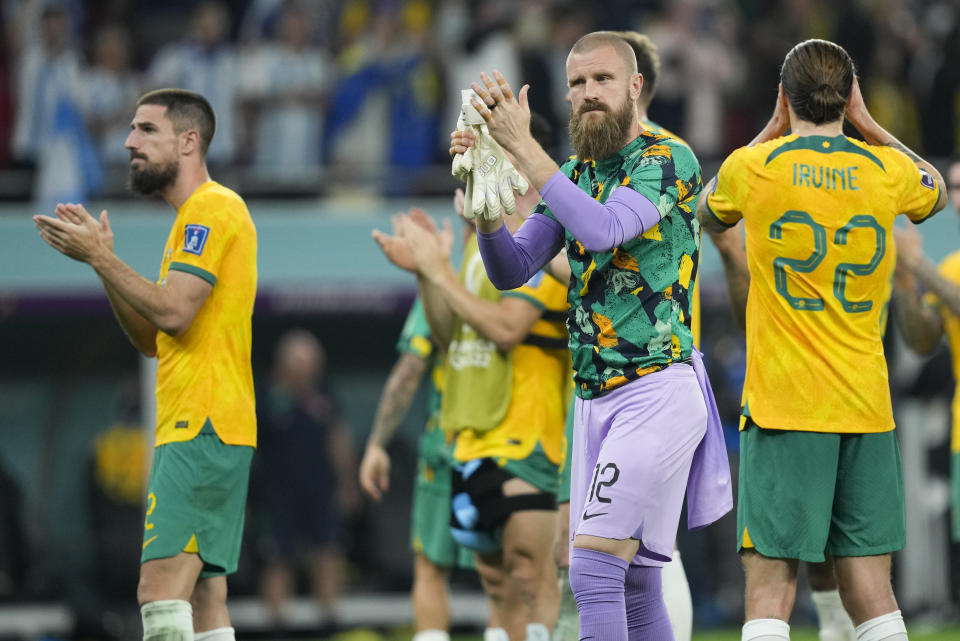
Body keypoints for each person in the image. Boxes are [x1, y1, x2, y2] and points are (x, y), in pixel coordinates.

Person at [451, 31, 731, 641]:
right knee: (633, 584)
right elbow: (510, 270)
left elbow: (604, 231)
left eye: (602, 80)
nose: (588, 94)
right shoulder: (577, 171)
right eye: (577, 84)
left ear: (635, 87)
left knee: (593, 569)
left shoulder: (667, 158)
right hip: (597, 400)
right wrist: (486, 201)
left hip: (656, 390)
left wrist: (524, 150)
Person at [698, 39, 946, 641]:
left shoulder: (754, 168)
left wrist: (768, 129)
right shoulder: (885, 172)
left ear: (785, 97)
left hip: (786, 405)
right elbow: (933, 189)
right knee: (872, 592)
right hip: (866, 405)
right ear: (849, 97)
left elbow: (705, 210)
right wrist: (870, 124)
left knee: (770, 590)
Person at [34, 88, 257, 641]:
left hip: (200, 424)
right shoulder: (189, 221)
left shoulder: (211, 207)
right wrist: (104, 267)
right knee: (206, 599)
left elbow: (176, 312)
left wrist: (102, 257)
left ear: (188, 140)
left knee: (158, 592)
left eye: (145, 130)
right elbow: (154, 340)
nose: (129, 142)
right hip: (211, 427)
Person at [375, 123, 568, 638]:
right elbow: (447, 337)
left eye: (484, 149)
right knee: (497, 587)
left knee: (534, 580)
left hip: (525, 441)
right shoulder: (480, 239)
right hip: (466, 440)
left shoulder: (541, 235)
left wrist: (438, 274)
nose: (470, 159)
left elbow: (507, 329)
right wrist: (427, 271)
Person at [359, 292, 480, 641]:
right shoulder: (525, 284)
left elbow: (409, 371)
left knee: (430, 568)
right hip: (508, 448)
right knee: (506, 573)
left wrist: (376, 444)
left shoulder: (440, 287)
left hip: (446, 443)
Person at [258, 329, 357, 626]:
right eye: (300, 367)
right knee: (277, 557)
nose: (307, 374)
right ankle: (277, 623)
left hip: (319, 489)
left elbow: (338, 439)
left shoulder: (325, 395)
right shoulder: (266, 397)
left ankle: (329, 619)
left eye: (311, 367)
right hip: (276, 493)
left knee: (328, 550)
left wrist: (347, 481)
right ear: (284, 365)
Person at [890, 154, 960, 545]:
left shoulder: (941, 271)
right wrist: (903, 281)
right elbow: (923, 339)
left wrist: (918, 265)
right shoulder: (951, 266)